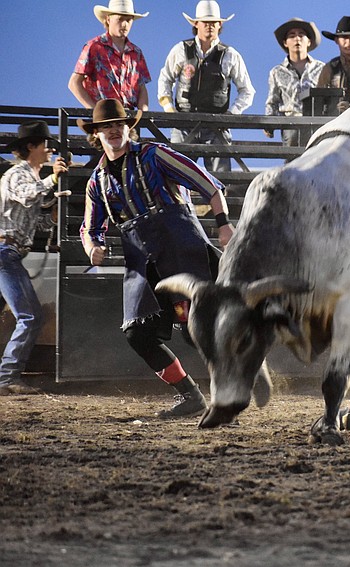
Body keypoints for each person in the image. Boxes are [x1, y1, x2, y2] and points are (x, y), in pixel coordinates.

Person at [78, 99, 234, 418]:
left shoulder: (154, 154)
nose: (114, 131)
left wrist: (223, 224)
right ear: (96, 135)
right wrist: (92, 247)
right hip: (142, 259)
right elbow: (89, 228)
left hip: (179, 246)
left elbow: (208, 185)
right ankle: (191, 396)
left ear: (128, 128)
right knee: (137, 333)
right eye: (106, 127)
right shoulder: (97, 181)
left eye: (119, 124)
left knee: (193, 327)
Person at [0, 122, 68, 395]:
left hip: (8, 253)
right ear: (31, 146)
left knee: (28, 316)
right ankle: (7, 378)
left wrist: (52, 218)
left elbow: (34, 222)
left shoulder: (27, 176)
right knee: (30, 317)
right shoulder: (18, 174)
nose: (50, 150)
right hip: (5, 253)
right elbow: (27, 196)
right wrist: (53, 180)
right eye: (46, 145)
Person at [157, 1, 255, 173]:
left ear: (220, 25)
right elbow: (165, 79)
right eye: (205, 22)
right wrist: (169, 110)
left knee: (220, 178)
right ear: (196, 24)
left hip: (217, 125)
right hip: (184, 123)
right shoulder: (181, 50)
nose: (210, 25)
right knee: (177, 175)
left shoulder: (230, 55)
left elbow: (247, 91)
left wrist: (231, 114)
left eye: (214, 22)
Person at [69, 0, 151, 110]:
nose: (124, 24)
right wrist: (95, 112)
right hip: (105, 115)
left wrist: (143, 114)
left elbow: (141, 88)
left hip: (130, 116)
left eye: (128, 20)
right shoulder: (94, 46)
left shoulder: (136, 52)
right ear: (108, 19)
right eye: (120, 19)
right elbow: (74, 83)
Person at [264, 18, 325, 146]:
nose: (297, 39)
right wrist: (268, 124)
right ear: (285, 43)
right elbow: (273, 101)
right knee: (292, 145)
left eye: (301, 35)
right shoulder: (277, 71)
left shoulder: (322, 68)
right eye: (292, 36)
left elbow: (328, 99)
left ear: (309, 41)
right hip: (290, 125)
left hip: (316, 124)